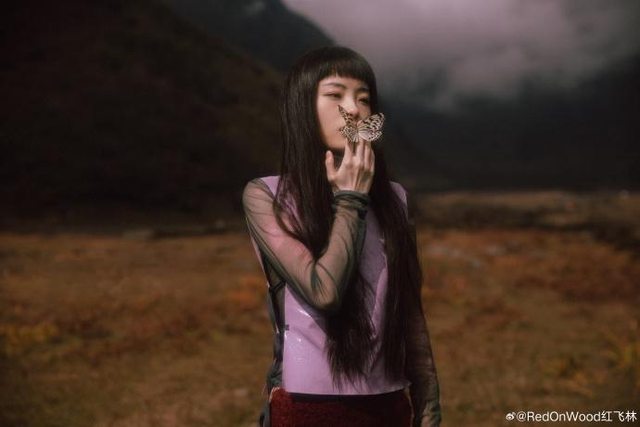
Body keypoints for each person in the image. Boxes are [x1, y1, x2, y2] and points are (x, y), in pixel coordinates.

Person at [242, 46, 441, 427]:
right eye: (335, 94)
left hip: (389, 403)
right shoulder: (267, 195)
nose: (353, 109)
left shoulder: (395, 199)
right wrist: (351, 200)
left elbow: (409, 308)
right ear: (302, 106)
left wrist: (428, 401)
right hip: (307, 404)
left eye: (364, 98)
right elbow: (324, 292)